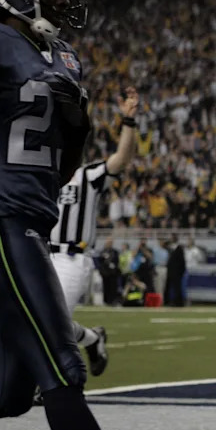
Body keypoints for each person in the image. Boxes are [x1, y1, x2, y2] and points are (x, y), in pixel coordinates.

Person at [0, 0, 206, 430]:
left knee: (7, 393)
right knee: (62, 366)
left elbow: (64, 164)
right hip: (0, 218)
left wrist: (78, 125)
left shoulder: (61, 58)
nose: (63, 2)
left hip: (27, 217)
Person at [49, 85, 138, 375]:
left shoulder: (87, 175)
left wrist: (129, 121)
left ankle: (48, 383)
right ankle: (92, 338)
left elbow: (121, 160)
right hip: (40, 254)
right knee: (34, 320)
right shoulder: (43, 175)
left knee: (51, 323)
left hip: (71, 257)